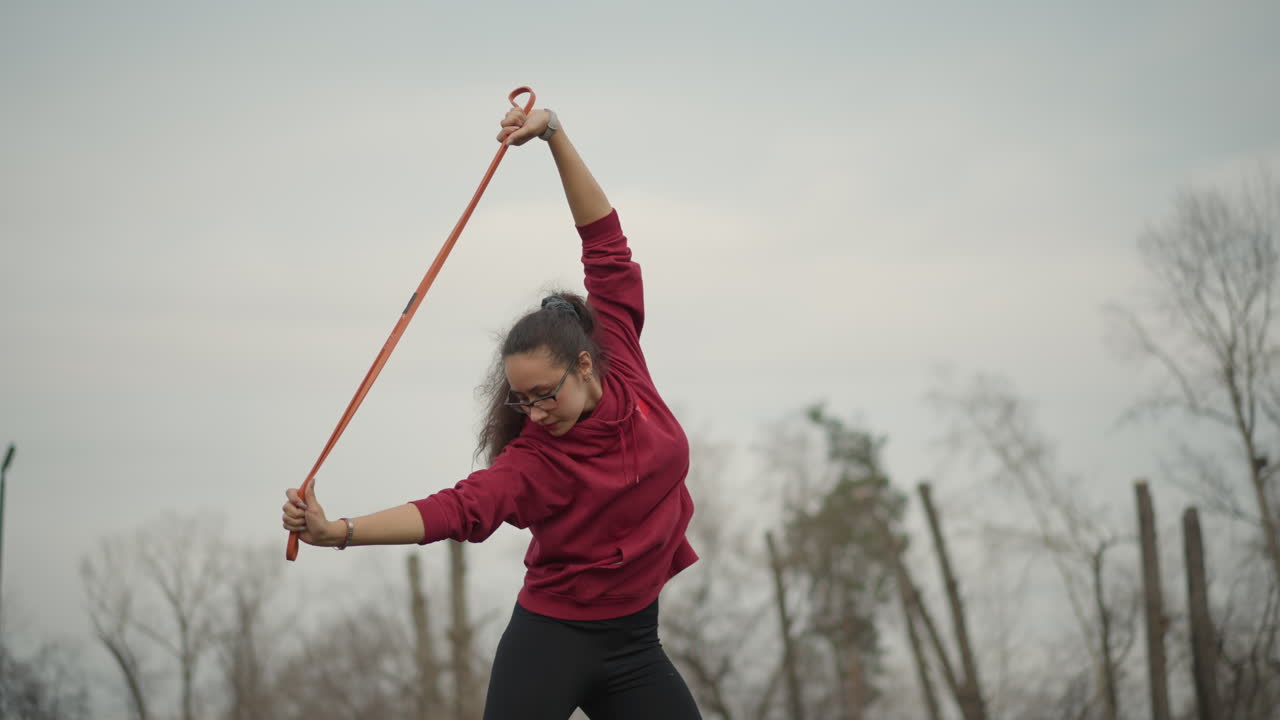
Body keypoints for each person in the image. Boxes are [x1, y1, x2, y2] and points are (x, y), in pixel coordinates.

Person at [281, 105, 703, 719]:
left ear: (585, 366)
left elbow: (604, 241)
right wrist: (337, 532)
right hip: (550, 643)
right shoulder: (532, 463)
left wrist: (554, 133)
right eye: (521, 399)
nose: (532, 413)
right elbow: (452, 509)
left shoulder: (620, 351)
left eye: (544, 395)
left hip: (635, 642)